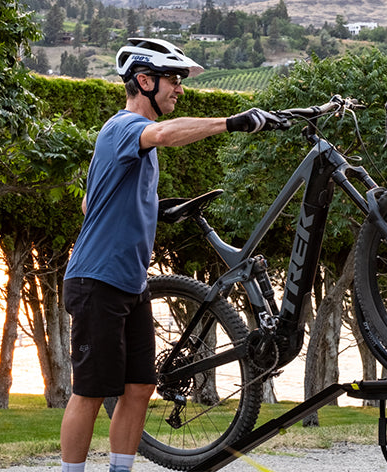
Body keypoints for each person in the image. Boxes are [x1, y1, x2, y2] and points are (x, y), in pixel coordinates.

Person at [59, 38, 282, 472]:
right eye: (172, 80)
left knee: (141, 386)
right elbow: (162, 134)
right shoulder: (123, 127)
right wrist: (231, 122)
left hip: (131, 283)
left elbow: (90, 204)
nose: (179, 89)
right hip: (96, 282)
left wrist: (147, 209)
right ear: (144, 81)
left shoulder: (135, 146)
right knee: (88, 391)